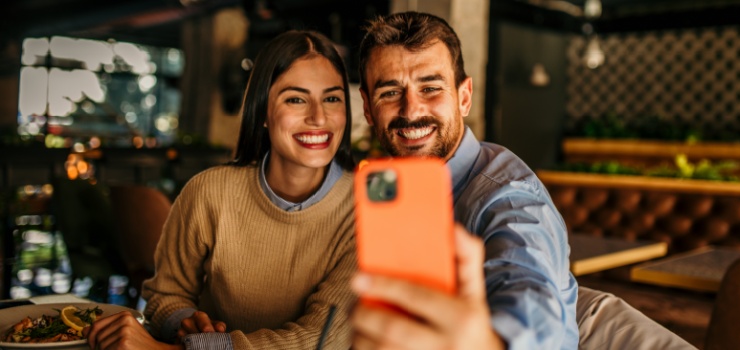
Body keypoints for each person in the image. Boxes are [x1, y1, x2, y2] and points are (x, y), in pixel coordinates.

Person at [86, 30, 357, 350]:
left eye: (332, 98)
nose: (318, 117)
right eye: (296, 99)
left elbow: (321, 339)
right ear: (262, 111)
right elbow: (166, 295)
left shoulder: (368, 210)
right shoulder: (209, 192)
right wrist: (185, 323)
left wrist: (190, 349)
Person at [349, 12, 578, 350]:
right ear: (368, 108)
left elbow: (531, 295)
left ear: (464, 97)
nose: (411, 111)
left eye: (430, 88)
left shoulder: (511, 195)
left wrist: (490, 343)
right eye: (390, 93)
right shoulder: (388, 192)